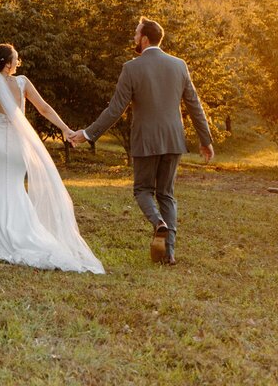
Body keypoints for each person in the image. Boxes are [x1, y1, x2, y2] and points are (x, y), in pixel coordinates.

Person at [70, 17, 213, 266]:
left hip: (146, 140)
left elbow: (115, 109)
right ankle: (169, 253)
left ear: (145, 38)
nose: (134, 38)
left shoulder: (131, 68)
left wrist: (89, 133)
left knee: (142, 190)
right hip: (173, 139)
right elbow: (194, 105)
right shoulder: (179, 65)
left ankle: (158, 223)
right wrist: (205, 139)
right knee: (166, 194)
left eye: (136, 34)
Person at [0, 43, 104, 274]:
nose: (18, 62)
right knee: (16, 190)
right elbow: (45, 109)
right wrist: (66, 129)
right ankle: (23, 235)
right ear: (8, 63)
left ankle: (2, 240)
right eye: (16, 59)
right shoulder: (22, 83)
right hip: (18, 146)